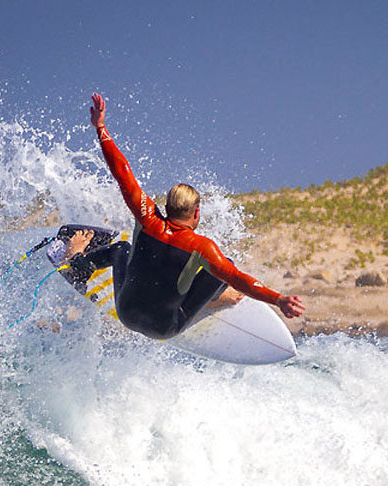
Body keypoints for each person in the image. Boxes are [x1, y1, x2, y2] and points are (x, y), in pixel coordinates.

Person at [70, 92, 304, 341]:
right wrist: (279, 299)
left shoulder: (147, 217)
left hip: (126, 312)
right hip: (164, 327)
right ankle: (213, 299)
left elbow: (122, 171)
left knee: (121, 250)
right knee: (226, 267)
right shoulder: (201, 247)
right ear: (196, 212)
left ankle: (78, 265)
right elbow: (240, 279)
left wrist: (101, 127)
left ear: (167, 206)